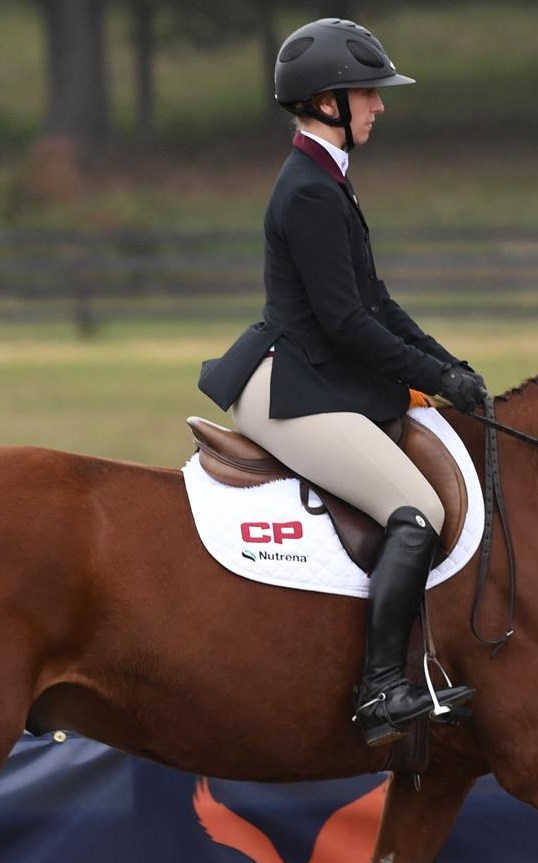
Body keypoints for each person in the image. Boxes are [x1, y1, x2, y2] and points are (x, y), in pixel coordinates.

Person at [197, 18, 489, 750]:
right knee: (415, 510)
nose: (379, 107)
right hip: (287, 386)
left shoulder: (327, 180)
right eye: (368, 94)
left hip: (312, 370)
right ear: (329, 102)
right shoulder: (309, 192)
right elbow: (346, 324)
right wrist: (432, 375)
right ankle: (381, 688)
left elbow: (378, 301)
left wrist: (449, 365)